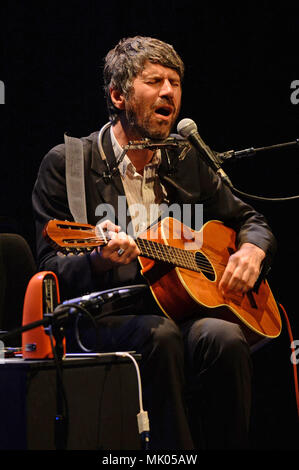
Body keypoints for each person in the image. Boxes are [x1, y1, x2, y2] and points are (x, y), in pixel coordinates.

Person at [32, 36, 276, 450]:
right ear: (118, 95)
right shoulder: (69, 164)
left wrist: (253, 249)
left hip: (179, 309)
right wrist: (98, 260)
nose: (169, 92)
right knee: (159, 335)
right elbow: (49, 269)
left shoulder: (185, 159)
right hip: (102, 318)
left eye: (175, 82)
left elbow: (250, 219)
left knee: (226, 338)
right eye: (155, 81)